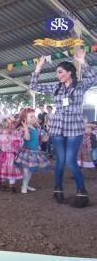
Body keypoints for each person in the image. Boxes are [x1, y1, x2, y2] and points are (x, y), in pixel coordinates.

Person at [31, 49, 97, 207]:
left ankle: (82, 192)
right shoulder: (56, 88)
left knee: (70, 160)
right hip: (57, 128)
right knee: (60, 161)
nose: (58, 75)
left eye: (60, 72)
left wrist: (83, 62)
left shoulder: (80, 86)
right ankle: (58, 189)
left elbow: (94, 77)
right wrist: (38, 68)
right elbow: (34, 86)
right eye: (57, 73)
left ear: (69, 73)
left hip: (74, 128)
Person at [14, 108, 51, 194]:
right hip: (27, 152)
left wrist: (44, 138)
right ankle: (24, 185)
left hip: (35, 151)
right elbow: (27, 138)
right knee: (27, 170)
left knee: (30, 170)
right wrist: (26, 128)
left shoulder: (35, 127)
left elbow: (38, 138)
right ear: (24, 119)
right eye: (31, 117)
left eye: (34, 116)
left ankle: (26, 185)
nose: (34, 118)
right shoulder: (23, 128)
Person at [0, 119, 23, 193]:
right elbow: (19, 145)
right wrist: (18, 135)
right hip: (11, 156)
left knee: (3, 170)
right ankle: (12, 187)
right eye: (10, 127)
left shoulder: (0, 136)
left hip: (2, 155)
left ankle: (2, 185)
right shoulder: (12, 137)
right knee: (11, 171)